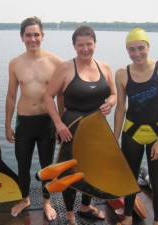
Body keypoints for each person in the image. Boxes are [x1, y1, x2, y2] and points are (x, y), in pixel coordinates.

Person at [44, 25, 116, 225]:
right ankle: (69, 215)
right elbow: (48, 96)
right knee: (70, 172)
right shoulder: (66, 67)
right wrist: (58, 123)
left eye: (89, 44)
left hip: (96, 128)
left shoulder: (105, 67)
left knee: (92, 169)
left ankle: (85, 206)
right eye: (80, 45)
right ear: (74, 46)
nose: (85, 49)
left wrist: (110, 102)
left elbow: (113, 93)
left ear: (95, 43)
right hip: (71, 127)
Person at [114, 28, 158, 225]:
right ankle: (128, 217)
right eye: (131, 49)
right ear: (126, 50)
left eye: (141, 48)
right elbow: (121, 108)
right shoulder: (122, 73)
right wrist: (114, 138)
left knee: (157, 182)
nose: (137, 53)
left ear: (149, 46)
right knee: (130, 178)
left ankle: (157, 221)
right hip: (132, 133)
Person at [5, 16, 62, 221]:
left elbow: (61, 96)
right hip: (24, 122)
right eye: (28, 35)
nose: (33, 39)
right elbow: (11, 96)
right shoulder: (15, 63)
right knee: (23, 165)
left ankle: (46, 202)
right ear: (22, 37)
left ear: (43, 35)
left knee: (47, 167)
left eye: (36, 34)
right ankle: (25, 199)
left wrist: (60, 124)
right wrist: (7, 125)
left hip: (47, 122)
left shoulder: (55, 62)